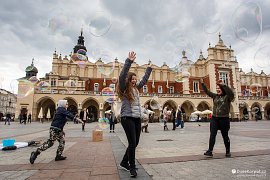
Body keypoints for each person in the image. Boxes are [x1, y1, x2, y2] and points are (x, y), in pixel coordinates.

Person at [116, 51, 152, 178]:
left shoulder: (136, 88)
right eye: (132, 79)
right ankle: (132, 167)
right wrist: (128, 62)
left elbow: (144, 80)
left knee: (135, 143)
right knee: (132, 143)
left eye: (135, 79)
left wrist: (149, 69)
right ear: (128, 80)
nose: (134, 81)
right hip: (127, 118)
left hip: (137, 118)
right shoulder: (124, 88)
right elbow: (122, 76)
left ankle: (124, 162)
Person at [29, 100, 84, 164]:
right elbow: (69, 115)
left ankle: (58, 155)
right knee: (50, 143)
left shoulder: (61, 111)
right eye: (66, 104)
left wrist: (62, 130)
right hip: (54, 129)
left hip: (58, 130)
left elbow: (61, 121)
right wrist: (78, 120)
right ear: (62, 104)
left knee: (62, 141)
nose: (67, 105)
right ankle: (35, 153)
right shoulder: (61, 109)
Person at [201, 79, 234, 158]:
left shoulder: (228, 97)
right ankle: (210, 151)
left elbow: (231, 93)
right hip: (215, 118)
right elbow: (208, 92)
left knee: (225, 136)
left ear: (223, 89)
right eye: (217, 88)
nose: (218, 89)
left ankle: (228, 151)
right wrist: (203, 84)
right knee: (212, 135)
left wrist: (223, 85)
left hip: (224, 119)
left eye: (219, 88)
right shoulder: (215, 96)